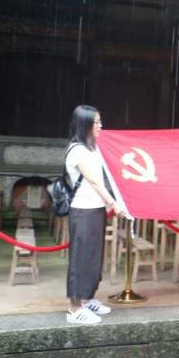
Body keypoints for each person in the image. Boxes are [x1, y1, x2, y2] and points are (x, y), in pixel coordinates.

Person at [64, 105, 130, 325]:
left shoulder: (93, 148)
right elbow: (93, 181)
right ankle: (74, 309)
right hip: (82, 210)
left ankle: (88, 298)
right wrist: (114, 203)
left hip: (96, 209)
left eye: (101, 122)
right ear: (84, 124)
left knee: (93, 257)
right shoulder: (77, 150)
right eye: (97, 123)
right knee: (80, 258)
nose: (101, 126)